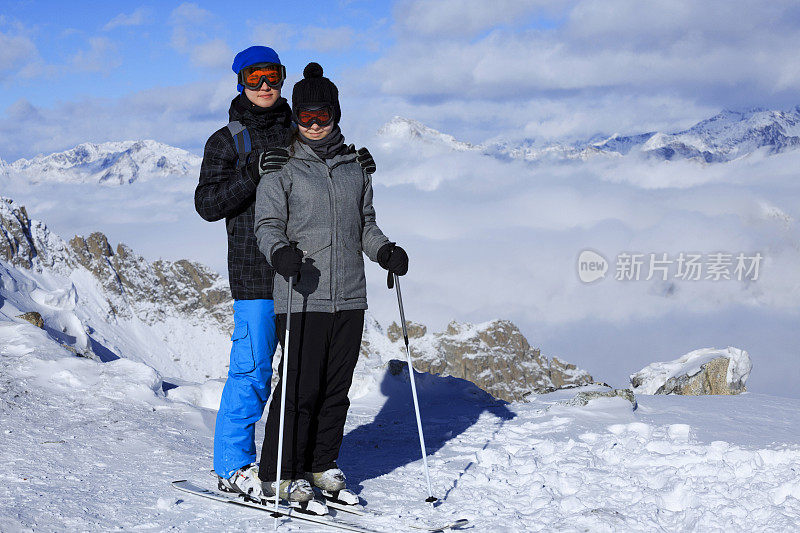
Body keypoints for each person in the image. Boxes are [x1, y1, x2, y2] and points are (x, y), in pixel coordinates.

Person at [254, 63, 409, 503]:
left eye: (323, 115)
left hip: (350, 296)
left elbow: (365, 225)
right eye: (306, 117)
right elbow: (266, 225)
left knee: (335, 390)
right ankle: (279, 473)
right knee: (299, 388)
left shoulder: (354, 168)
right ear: (296, 118)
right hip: (301, 293)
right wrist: (280, 252)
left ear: (336, 114)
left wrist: (384, 251)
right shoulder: (281, 169)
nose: (315, 124)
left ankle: (321, 464)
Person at [194, 45, 295, 501]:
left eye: (273, 75)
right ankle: (233, 465)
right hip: (255, 273)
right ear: (240, 82)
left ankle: (287, 461)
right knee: (253, 370)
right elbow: (207, 205)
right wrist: (250, 173)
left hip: (303, 270)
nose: (266, 85)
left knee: (299, 373)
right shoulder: (226, 140)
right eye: (255, 77)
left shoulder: (300, 131)